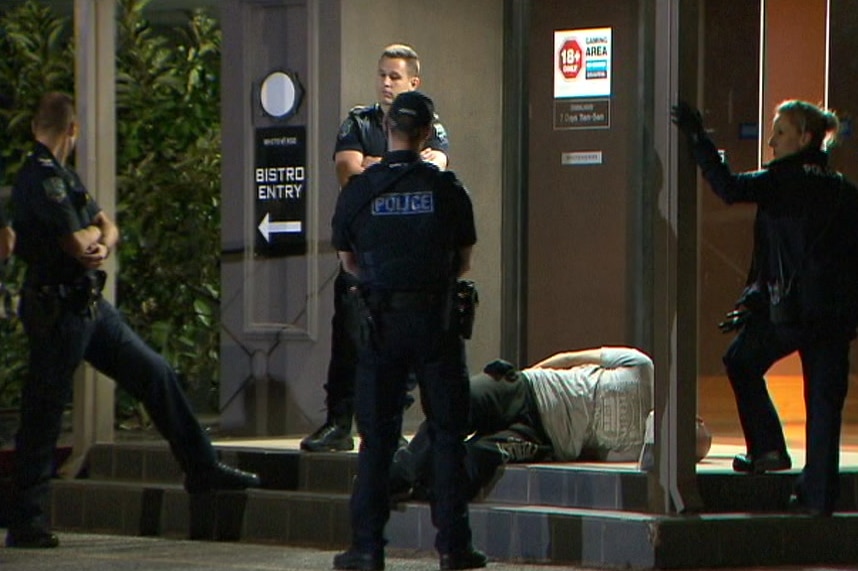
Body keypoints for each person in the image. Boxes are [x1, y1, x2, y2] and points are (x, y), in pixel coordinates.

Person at [6, 92, 261, 549]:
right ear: (74, 129)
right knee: (43, 411)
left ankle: (201, 469)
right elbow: (73, 241)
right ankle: (26, 519)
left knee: (154, 373)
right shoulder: (39, 178)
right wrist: (93, 239)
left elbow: (106, 226)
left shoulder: (65, 175)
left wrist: (99, 240)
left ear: (37, 127)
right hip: (57, 309)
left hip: (88, 305)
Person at [672, 99, 858, 516]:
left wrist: (699, 140)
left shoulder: (781, 180)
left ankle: (768, 447)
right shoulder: (844, 189)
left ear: (805, 138)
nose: (771, 143)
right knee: (825, 405)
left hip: (790, 313)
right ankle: (818, 499)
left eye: (779, 133)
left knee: (740, 360)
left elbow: (728, 187)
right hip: (833, 318)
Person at [330, 90, 484, 570]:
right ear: (425, 134)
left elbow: (349, 262)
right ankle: (454, 548)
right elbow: (462, 261)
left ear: (390, 130)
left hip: (381, 325)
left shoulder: (360, 190)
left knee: (377, 439)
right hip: (436, 324)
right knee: (445, 435)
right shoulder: (447, 189)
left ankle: (367, 548)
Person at [301, 43, 450, 453]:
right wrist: (400, 165)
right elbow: (349, 174)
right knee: (349, 337)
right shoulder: (359, 121)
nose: (386, 83)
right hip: (362, 254)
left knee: (402, 347)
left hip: (405, 260)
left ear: (413, 82)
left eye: (395, 76)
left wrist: (376, 165)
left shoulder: (431, 125)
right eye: (382, 74)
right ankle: (337, 424)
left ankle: (385, 430)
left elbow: (433, 177)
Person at [392, 347, 654, 501]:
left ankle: (415, 482)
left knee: (479, 456)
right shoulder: (642, 366)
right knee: (457, 403)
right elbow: (568, 358)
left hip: (539, 436)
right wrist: (527, 375)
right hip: (527, 388)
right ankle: (400, 474)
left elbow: (588, 451)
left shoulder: (635, 448)